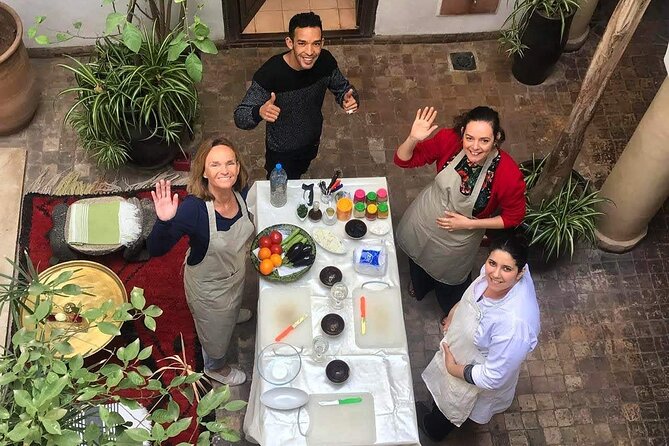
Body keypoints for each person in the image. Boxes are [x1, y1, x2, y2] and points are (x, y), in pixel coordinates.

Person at [394, 106, 526, 319]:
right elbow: (403, 160)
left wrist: (471, 224)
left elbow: (514, 216)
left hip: (460, 238)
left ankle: (452, 313)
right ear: (462, 132)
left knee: (451, 284)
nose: (475, 147)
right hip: (425, 218)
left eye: (484, 140)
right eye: (469, 138)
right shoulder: (448, 140)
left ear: (496, 139)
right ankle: (420, 287)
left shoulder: (507, 173)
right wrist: (412, 138)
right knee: (417, 260)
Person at [147, 136, 255, 386]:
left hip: (234, 274)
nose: (225, 170)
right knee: (215, 334)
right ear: (204, 172)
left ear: (238, 166)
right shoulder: (193, 209)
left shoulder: (241, 191)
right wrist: (164, 222)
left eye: (230, 163)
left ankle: (232, 314)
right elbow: (155, 249)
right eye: (215, 164)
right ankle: (215, 367)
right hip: (210, 289)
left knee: (232, 308)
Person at [417, 233, 540, 441]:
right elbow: (477, 290)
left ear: (521, 273)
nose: (495, 274)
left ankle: (433, 430)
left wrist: (453, 369)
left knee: (453, 405)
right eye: (492, 263)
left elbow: (493, 376)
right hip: (459, 351)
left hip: (471, 372)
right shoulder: (496, 276)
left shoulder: (514, 326)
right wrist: (455, 312)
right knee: (445, 394)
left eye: (506, 269)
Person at [234, 12, 359, 180]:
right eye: (302, 43)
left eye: (316, 44)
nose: (310, 52)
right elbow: (240, 117)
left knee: (300, 171)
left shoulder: (325, 61)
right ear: (289, 42)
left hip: (311, 140)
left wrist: (349, 99)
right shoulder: (270, 73)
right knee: (279, 185)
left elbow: (343, 88)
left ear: (322, 43)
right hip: (281, 150)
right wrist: (259, 112)